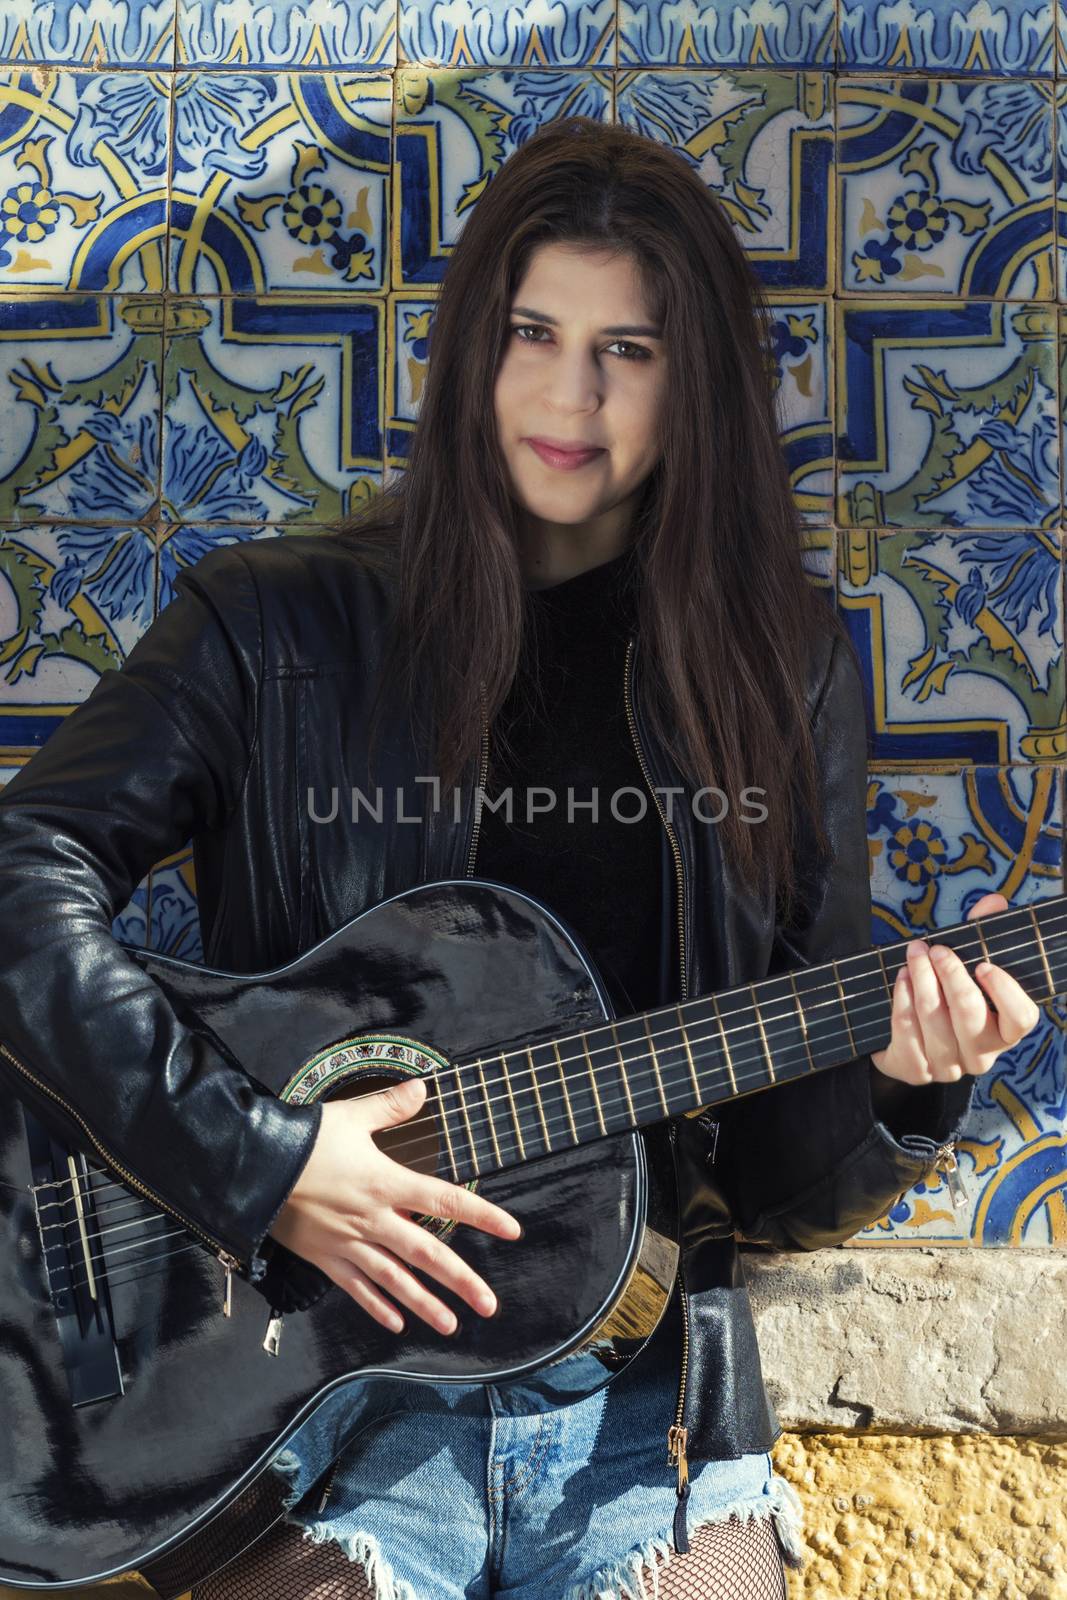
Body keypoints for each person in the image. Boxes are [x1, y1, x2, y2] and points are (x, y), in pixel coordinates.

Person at [0, 117, 1041, 1600]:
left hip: (648, 1412)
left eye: (631, 349)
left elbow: (770, 1178)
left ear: (702, 386)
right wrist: (262, 1165)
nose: (569, 394)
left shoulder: (787, 669)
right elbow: (21, 870)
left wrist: (908, 1082)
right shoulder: (273, 625)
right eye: (533, 333)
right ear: (472, 348)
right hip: (304, 1412)